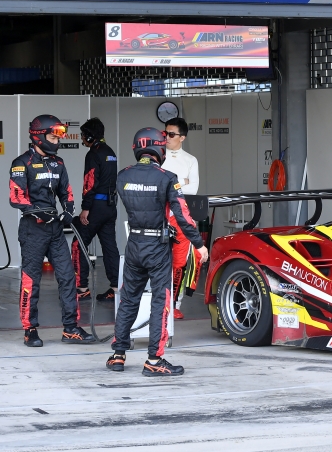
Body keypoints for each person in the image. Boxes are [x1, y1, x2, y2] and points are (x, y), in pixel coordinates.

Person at [107, 128, 208, 376]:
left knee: (128, 299)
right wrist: (199, 244)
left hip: (134, 243)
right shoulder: (167, 177)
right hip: (158, 247)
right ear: (159, 149)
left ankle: (118, 355)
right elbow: (183, 216)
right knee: (160, 302)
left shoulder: (123, 175)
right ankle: (154, 359)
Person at [9, 115, 96, 347]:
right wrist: (37, 211)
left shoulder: (58, 163)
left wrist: (68, 210)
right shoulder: (21, 163)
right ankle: (29, 329)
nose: (57, 141)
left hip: (55, 229)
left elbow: (66, 192)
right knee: (32, 280)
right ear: (39, 136)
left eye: (58, 137)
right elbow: (16, 197)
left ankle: (71, 328)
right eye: (52, 137)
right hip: (33, 230)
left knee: (68, 277)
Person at [71, 118, 121, 301]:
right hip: (110, 207)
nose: (82, 138)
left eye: (83, 135)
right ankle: (116, 288)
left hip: (96, 208)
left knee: (78, 244)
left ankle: (81, 288)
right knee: (110, 247)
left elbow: (89, 183)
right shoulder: (110, 152)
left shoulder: (93, 153)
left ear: (90, 136)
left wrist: (85, 208)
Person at [161, 117, 201, 320]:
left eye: (171, 134)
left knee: (180, 263)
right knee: (157, 261)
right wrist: (180, 182)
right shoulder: (157, 155)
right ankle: (159, 302)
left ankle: (175, 304)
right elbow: (156, 186)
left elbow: (193, 189)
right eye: (165, 133)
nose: (166, 137)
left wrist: (172, 184)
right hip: (159, 217)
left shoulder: (191, 160)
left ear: (182, 137)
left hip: (180, 219)